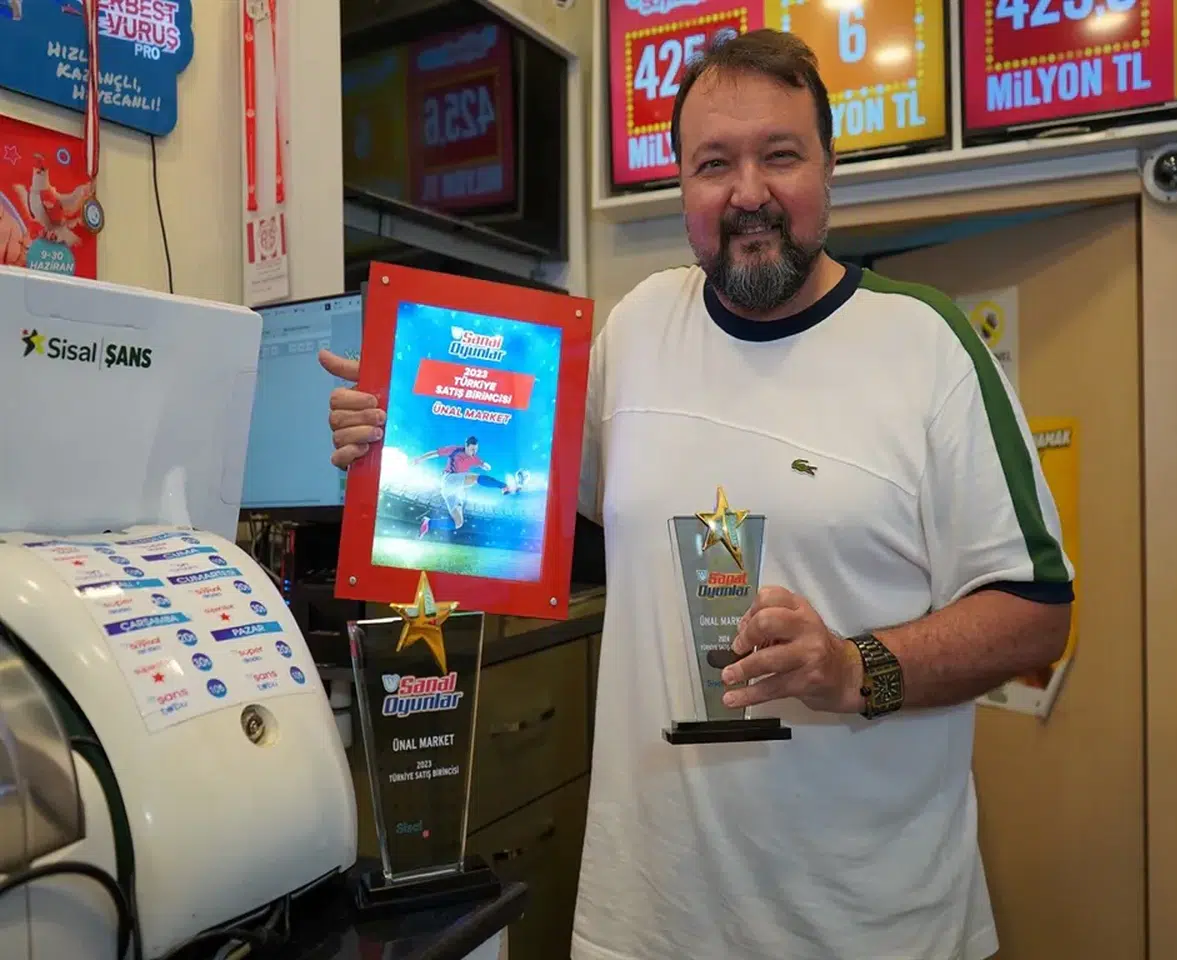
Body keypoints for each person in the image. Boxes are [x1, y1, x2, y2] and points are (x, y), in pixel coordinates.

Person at [319, 28, 1073, 960]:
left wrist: (852, 668)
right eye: (714, 163)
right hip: (645, 921)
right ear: (682, 187)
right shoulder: (638, 328)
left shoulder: (927, 344)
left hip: (869, 928)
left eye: (780, 155)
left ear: (830, 170)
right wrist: (397, 443)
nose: (748, 192)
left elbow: (1036, 613)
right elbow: (528, 500)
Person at [410, 437, 524, 534]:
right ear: (466, 446)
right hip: (449, 479)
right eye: (472, 449)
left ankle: (429, 523)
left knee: (458, 523)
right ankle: (504, 486)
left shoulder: (474, 457)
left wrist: (485, 465)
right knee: (475, 478)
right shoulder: (455, 450)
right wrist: (419, 459)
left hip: (452, 492)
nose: (474, 452)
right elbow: (435, 453)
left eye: (476, 449)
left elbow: (482, 464)